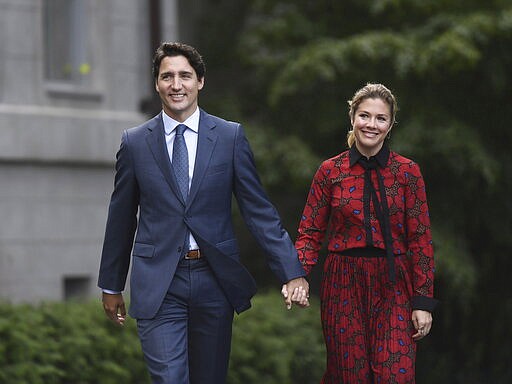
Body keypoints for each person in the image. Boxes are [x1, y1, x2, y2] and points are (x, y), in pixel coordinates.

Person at [98, 42, 309, 384]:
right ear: (157, 84)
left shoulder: (229, 137)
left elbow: (258, 211)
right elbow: (121, 218)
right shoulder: (135, 142)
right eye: (167, 76)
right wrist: (111, 284)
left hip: (214, 279)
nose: (176, 84)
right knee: (170, 379)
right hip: (159, 282)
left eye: (185, 75)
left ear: (200, 82)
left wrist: (291, 271)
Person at [290, 83, 438, 383]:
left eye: (380, 118)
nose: (371, 124)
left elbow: (421, 240)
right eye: (364, 116)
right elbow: (310, 232)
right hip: (343, 281)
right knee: (349, 375)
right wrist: (298, 274)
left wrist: (423, 302)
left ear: (390, 124)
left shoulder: (407, 173)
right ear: (352, 118)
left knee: (395, 375)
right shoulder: (330, 171)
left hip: (394, 283)